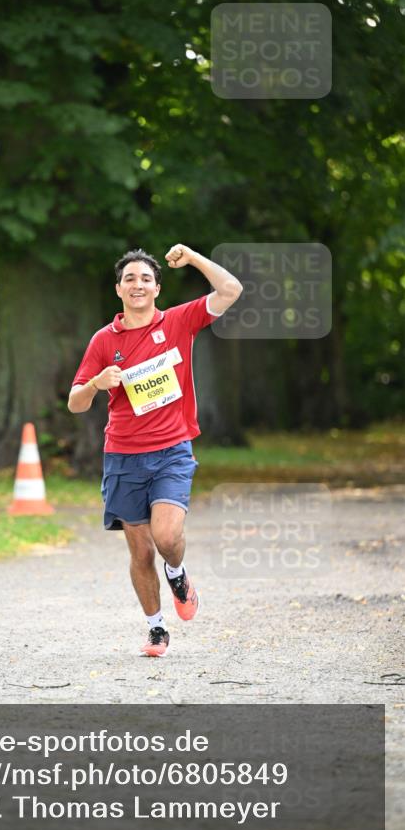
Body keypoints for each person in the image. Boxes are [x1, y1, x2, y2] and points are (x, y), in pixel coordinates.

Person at [68, 244, 243, 657]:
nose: (138, 284)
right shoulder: (103, 340)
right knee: (141, 549)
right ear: (118, 289)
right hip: (123, 455)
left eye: (146, 278)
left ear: (157, 288)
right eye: (130, 278)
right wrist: (97, 384)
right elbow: (75, 401)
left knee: (166, 536)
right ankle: (156, 628)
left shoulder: (180, 321)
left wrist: (196, 259)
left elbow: (231, 288)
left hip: (172, 451)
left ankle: (178, 574)